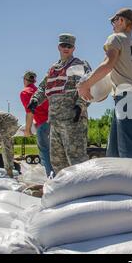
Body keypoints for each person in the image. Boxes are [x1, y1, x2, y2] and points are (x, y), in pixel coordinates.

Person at [78, 8, 132, 160]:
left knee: (128, 152)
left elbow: (108, 64)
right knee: (113, 153)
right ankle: (117, 183)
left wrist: (86, 84)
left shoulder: (116, 38)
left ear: (121, 20)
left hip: (126, 98)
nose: (112, 25)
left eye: (113, 21)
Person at [28, 33, 91, 174]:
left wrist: (80, 106)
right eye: (63, 45)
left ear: (74, 48)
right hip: (55, 121)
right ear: (59, 47)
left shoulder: (79, 65)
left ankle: (83, 191)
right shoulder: (53, 69)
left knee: (76, 160)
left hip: (73, 121)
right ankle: (66, 191)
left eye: (69, 46)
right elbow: (43, 88)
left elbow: (88, 87)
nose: (66, 48)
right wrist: (35, 100)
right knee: (57, 161)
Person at [20, 70, 54, 177]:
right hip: (53, 122)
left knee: (44, 151)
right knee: (54, 151)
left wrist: (27, 129)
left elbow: (30, 111)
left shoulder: (25, 92)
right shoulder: (39, 91)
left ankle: (50, 177)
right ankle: (57, 175)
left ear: (25, 80)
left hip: (43, 124)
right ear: (34, 80)